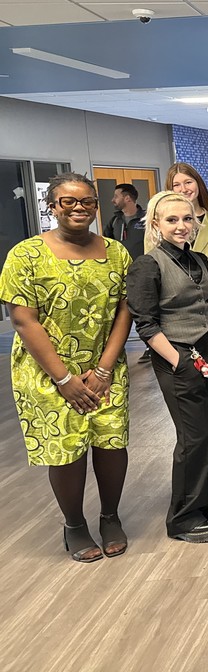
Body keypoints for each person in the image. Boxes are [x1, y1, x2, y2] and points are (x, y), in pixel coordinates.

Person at [0, 173, 132, 561]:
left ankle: (110, 516)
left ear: (96, 205)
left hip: (105, 366)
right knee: (65, 449)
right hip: (47, 372)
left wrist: (105, 369)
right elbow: (23, 320)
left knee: (111, 442)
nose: (78, 208)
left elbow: (125, 310)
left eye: (87, 201)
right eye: (67, 202)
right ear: (52, 206)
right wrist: (63, 378)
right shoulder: (26, 255)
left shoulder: (116, 252)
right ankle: (74, 523)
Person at [127, 191, 208, 544]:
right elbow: (146, 324)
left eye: (187, 219)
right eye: (172, 220)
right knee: (193, 438)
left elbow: (203, 304)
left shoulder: (198, 258)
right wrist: (176, 359)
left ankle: (201, 501)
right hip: (178, 356)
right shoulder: (147, 265)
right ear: (155, 223)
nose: (181, 226)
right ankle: (182, 517)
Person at [164, 162, 208, 469]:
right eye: (176, 185)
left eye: (188, 182)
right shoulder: (163, 228)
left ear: (198, 184)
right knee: (189, 387)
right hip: (176, 324)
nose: (184, 189)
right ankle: (195, 446)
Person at [103, 182, 146, 260]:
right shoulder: (114, 221)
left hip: (144, 267)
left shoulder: (147, 218)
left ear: (127, 198)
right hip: (122, 269)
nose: (112, 200)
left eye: (116, 197)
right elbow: (106, 244)